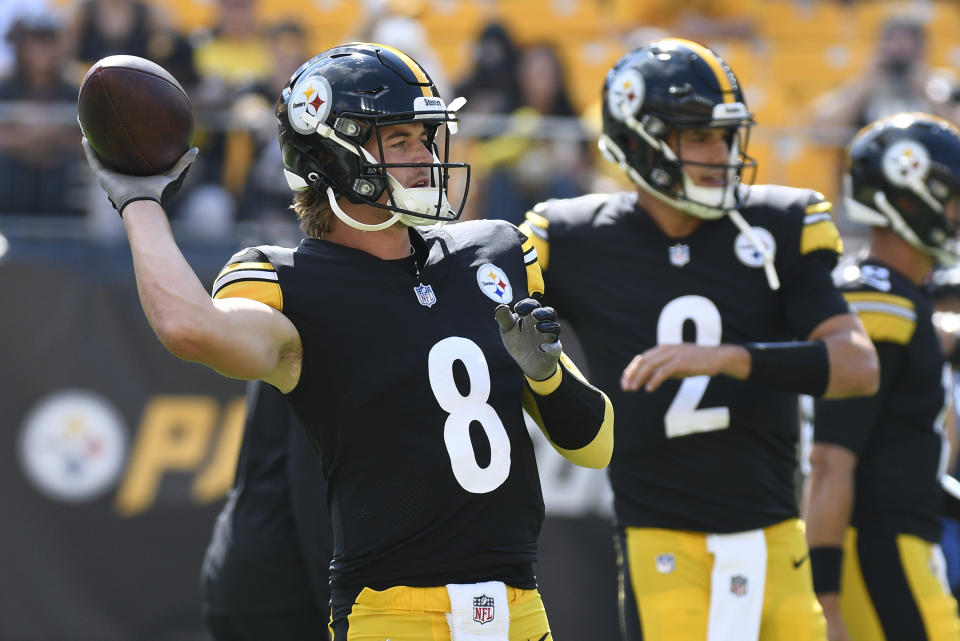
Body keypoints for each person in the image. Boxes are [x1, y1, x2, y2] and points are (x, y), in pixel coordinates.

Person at [80, 42, 613, 641]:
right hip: (393, 614)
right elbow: (189, 326)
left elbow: (595, 446)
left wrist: (547, 375)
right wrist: (140, 201)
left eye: (427, 139)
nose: (426, 158)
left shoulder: (493, 252)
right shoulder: (293, 284)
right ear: (334, 154)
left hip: (521, 607)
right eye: (402, 140)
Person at [519, 38, 879, 641]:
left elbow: (857, 365)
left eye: (727, 136)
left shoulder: (777, 224)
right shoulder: (572, 235)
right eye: (701, 137)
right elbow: (485, 299)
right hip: (660, 541)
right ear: (639, 141)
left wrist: (732, 359)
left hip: (776, 536)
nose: (722, 154)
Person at [806, 112, 960, 641]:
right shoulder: (877, 302)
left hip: (898, 537)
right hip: (875, 544)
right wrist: (825, 605)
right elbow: (829, 460)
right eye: (952, 197)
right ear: (910, 197)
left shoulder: (901, 296)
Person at [201, 380, 332, 641]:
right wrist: (338, 610)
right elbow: (313, 486)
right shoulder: (334, 345)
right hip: (284, 594)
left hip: (247, 568)